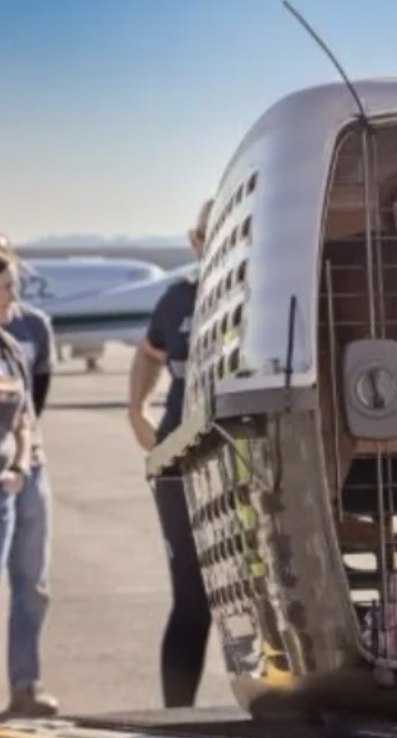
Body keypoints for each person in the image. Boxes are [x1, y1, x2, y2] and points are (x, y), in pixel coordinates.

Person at [126, 199, 212, 708]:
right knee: (191, 600)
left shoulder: (263, 293)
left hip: (246, 464)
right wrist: (136, 408)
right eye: (205, 234)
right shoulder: (177, 299)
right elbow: (150, 351)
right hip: (178, 465)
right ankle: (179, 717)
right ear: (193, 241)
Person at [0, 238, 52, 716]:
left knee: (32, 583)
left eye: (13, 286)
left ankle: (24, 687)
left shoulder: (23, 334)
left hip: (25, 471)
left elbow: (30, 403)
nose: (11, 298)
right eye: (4, 288)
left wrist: (23, 457)